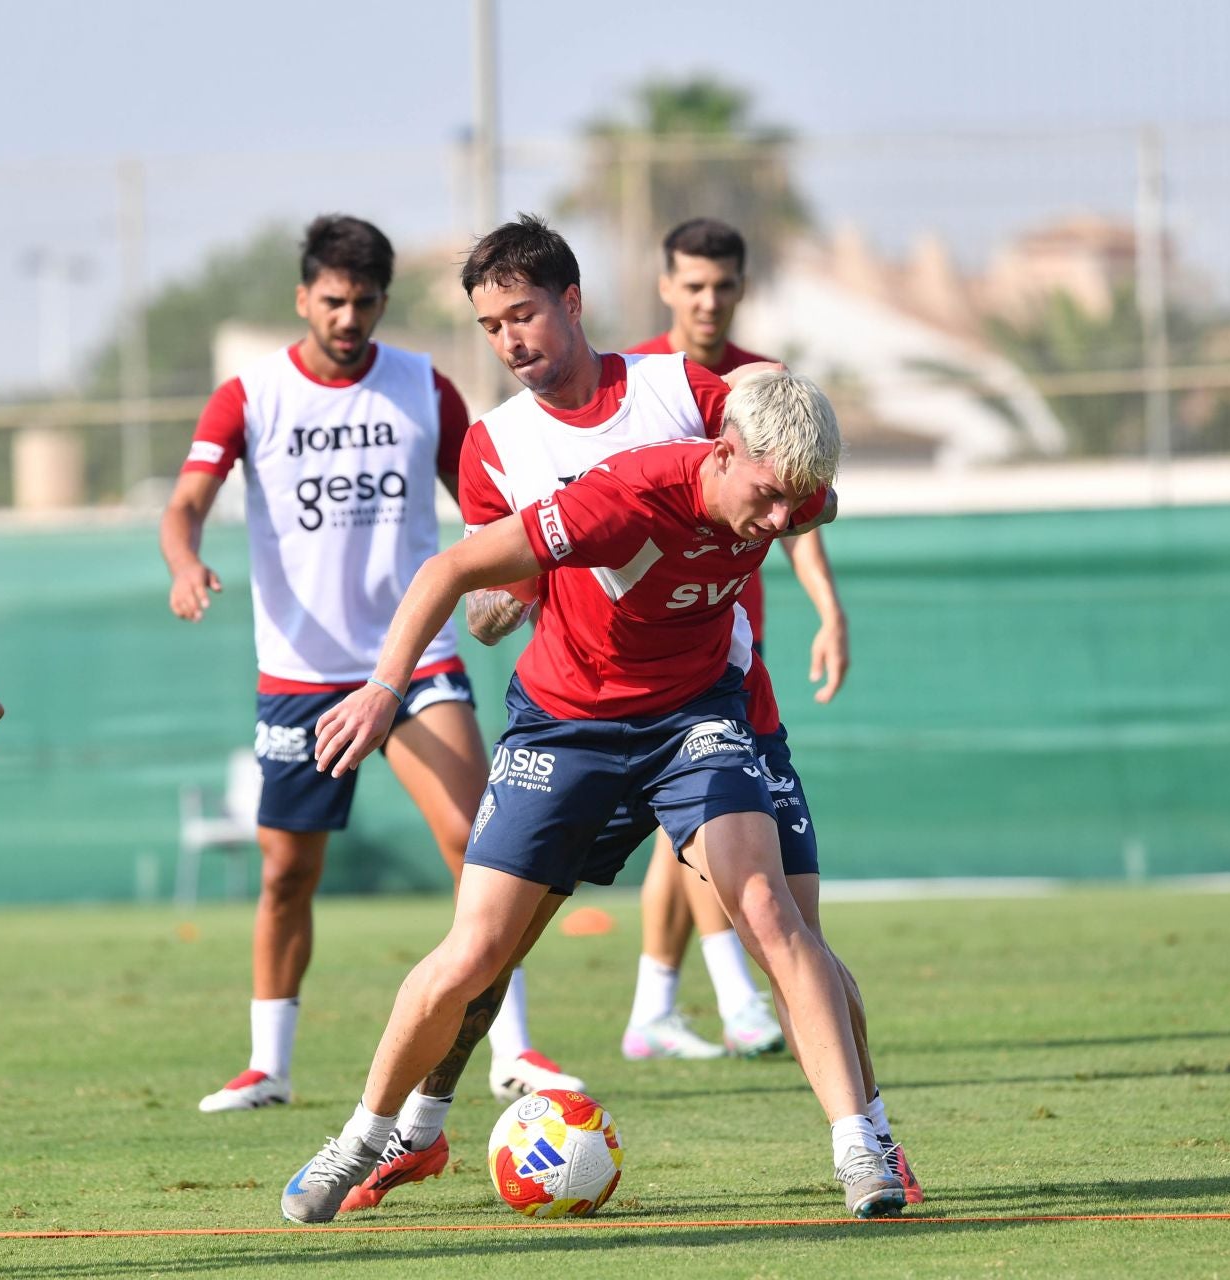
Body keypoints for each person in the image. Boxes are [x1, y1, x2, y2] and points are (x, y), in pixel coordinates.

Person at [278, 217, 905, 1224]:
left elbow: (790, 457)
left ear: (572, 302)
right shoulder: (537, 465)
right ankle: (378, 1132)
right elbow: (466, 578)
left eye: (523, 313)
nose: (511, 338)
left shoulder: (694, 405)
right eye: (491, 324)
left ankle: (867, 1147)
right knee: (481, 948)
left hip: (703, 710)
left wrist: (814, 564)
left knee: (781, 921)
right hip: (568, 721)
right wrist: (399, 677)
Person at [159, 215, 581, 1118]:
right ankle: (267, 1065)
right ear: (304, 298)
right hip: (301, 674)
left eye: (365, 303)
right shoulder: (251, 396)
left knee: (481, 847)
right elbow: (186, 503)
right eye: (333, 301)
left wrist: (522, 582)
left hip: (418, 658)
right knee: (286, 875)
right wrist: (185, 561)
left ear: (385, 302)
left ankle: (514, 1049)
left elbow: (490, 500)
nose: (348, 318)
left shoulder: (424, 390)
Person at [620, 217, 850, 1062]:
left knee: (691, 828)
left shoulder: (767, 384)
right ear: (665, 286)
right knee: (704, 818)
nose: (707, 300)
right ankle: (728, 994)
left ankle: (656, 1007)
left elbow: (801, 511)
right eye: (692, 284)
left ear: (741, 289)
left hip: (731, 636)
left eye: (722, 285)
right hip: (652, 639)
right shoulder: (641, 383)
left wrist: (828, 608)